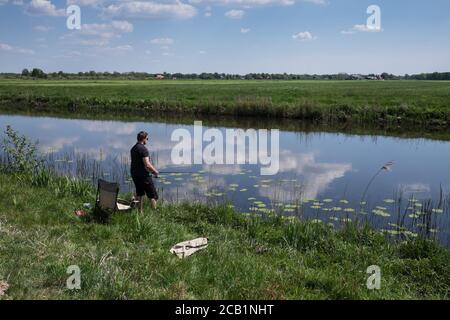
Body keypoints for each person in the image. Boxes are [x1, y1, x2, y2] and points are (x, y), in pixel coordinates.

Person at [130, 131, 159, 212]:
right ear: (143, 139)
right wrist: (155, 171)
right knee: (153, 195)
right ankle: (154, 213)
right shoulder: (143, 149)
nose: (147, 140)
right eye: (147, 138)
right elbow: (147, 164)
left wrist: (152, 172)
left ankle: (140, 212)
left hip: (134, 174)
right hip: (144, 176)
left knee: (140, 194)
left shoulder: (133, 148)